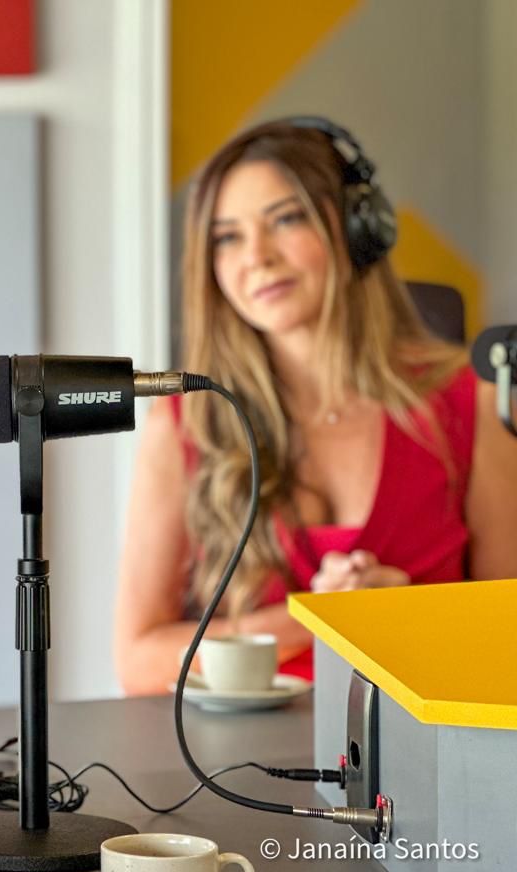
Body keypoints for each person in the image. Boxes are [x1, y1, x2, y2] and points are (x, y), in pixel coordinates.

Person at [113, 118, 517, 695]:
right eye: (227, 237)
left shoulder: (473, 403)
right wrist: (324, 620)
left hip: (421, 746)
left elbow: (507, 639)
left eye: (285, 219)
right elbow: (138, 660)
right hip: (241, 750)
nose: (257, 257)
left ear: (357, 230)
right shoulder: (185, 424)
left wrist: (408, 618)